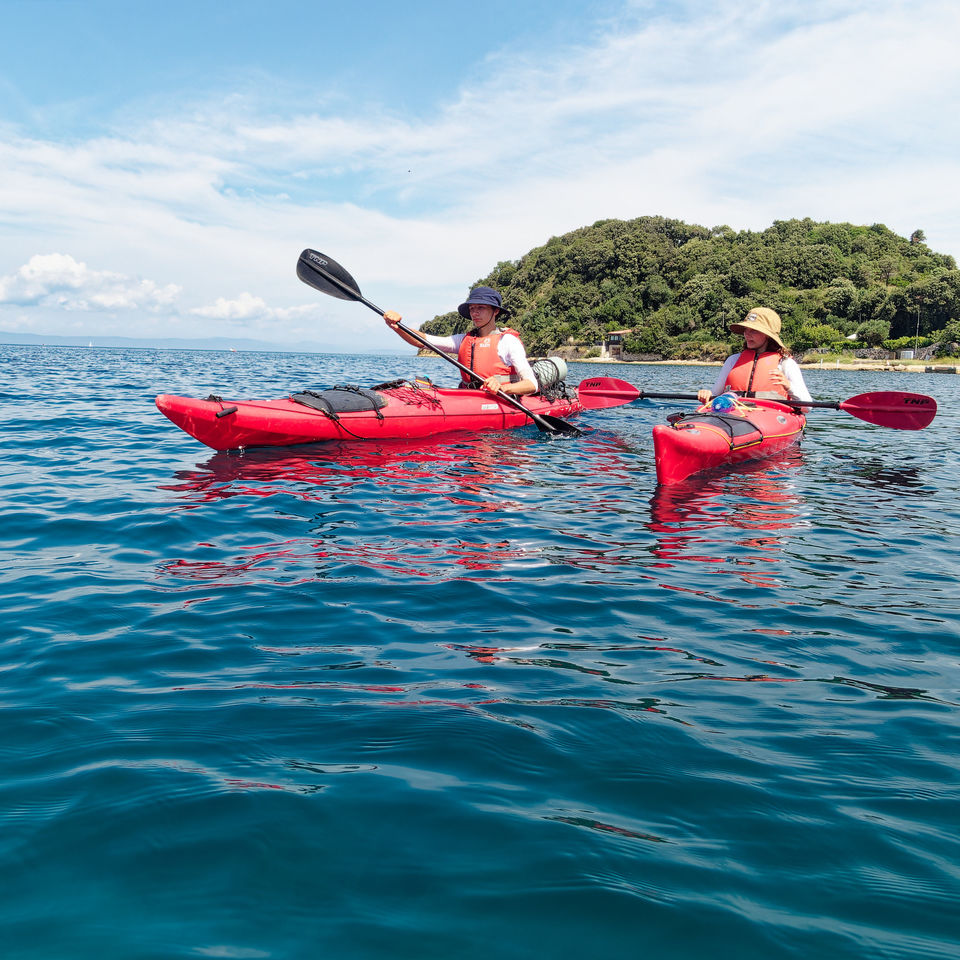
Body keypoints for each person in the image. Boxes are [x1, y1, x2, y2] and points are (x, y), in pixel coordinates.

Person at [383, 286, 538, 397]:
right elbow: (422, 341)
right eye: (472, 309)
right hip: (469, 396)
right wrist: (397, 327)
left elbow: (531, 384)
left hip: (503, 399)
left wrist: (504, 389)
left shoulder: (508, 341)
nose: (475, 313)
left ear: (495, 311)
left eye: (481, 308)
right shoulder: (464, 340)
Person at [697, 307, 812, 405]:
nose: (747, 334)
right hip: (734, 417)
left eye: (754, 331)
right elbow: (714, 394)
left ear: (767, 336)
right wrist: (707, 394)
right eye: (746, 330)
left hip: (770, 419)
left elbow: (807, 406)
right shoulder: (733, 360)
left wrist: (788, 386)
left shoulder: (786, 364)